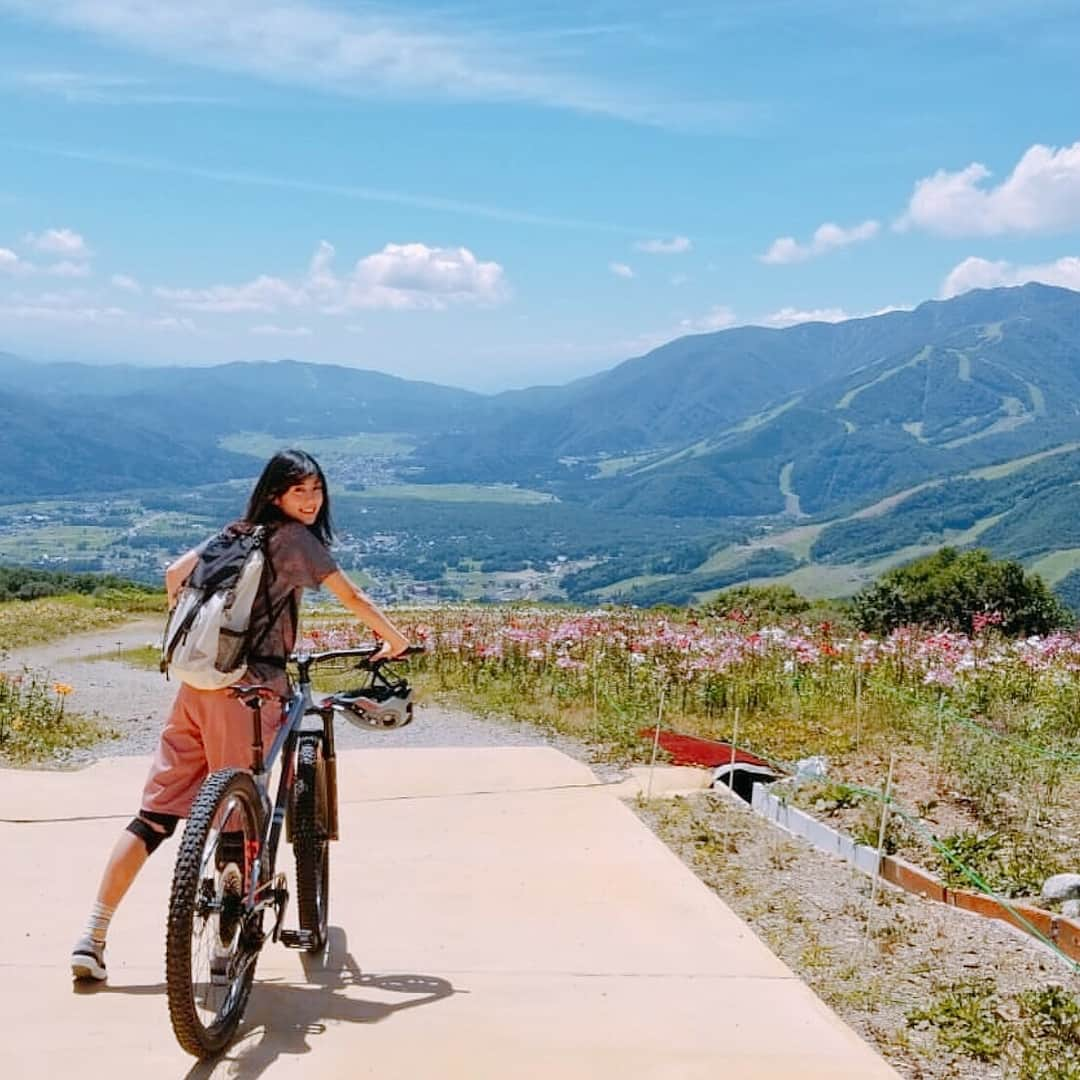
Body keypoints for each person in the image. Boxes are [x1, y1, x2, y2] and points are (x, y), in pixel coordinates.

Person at [70, 449, 410, 981]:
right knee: (236, 809)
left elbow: (173, 575)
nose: (312, 499)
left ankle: (91, 936)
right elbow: (353, 595)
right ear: (277, 494)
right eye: (300, 491)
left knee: (155, 818)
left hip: (196, 687)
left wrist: (208, 647)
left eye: (317, 489)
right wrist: (393, 639)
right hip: (248, 690)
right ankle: (225, 950)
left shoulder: (237, 531)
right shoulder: (297, 540)